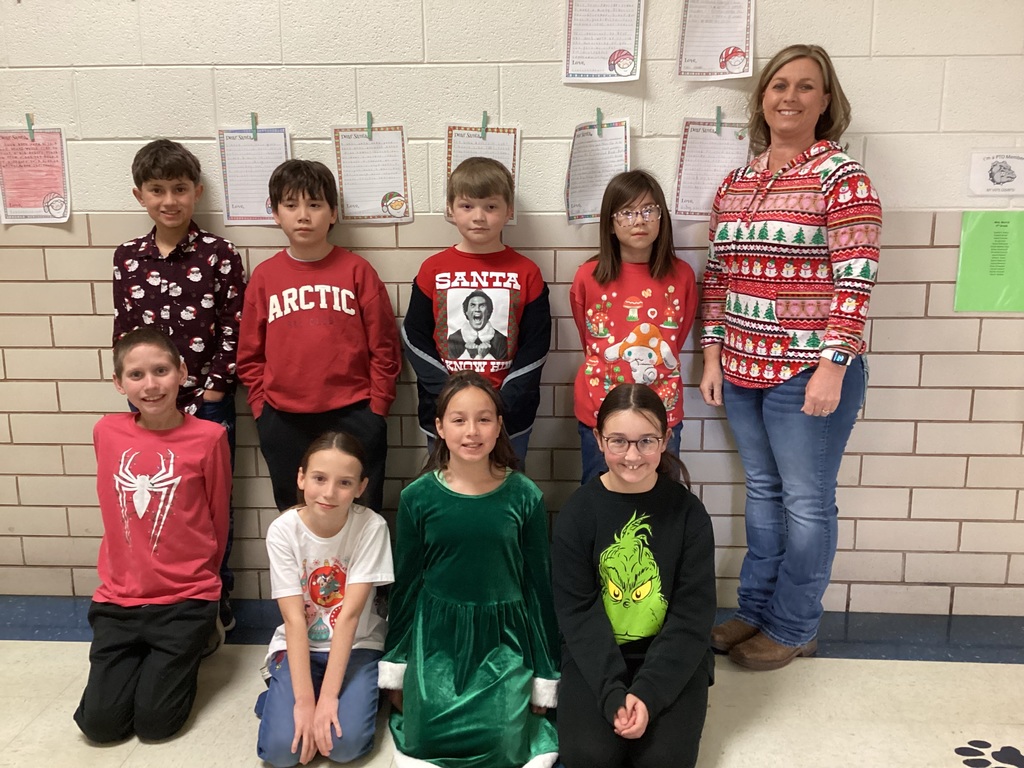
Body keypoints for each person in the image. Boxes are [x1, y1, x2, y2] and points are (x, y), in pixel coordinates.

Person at [699, 43, 882, 671]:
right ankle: (755, 610)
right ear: (761, 99)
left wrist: (834, 363)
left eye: (806, 87)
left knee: (807, 503)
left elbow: (856, 276)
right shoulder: (738, 181)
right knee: (764, 494)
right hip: (744, 368)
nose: (790, 97)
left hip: (809, 372)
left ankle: (795, 624)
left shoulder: (841, 176)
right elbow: (719, 275)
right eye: (779, 85)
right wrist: (712, 354)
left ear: (826, 101)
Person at [378, 371, 559, 768]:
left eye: (484, 419)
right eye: (459, 420)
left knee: (500, 745)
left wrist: (544, 677)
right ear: (440, 427)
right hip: (437, 641)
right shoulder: (417, 498)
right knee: (427, 740)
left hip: (505, 640)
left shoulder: (525, 496)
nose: (472, 431)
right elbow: (406, 587)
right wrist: (398, 666)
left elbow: (538, 587)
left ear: (499, 427)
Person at [111, 138, 245, 633]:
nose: (169, 200)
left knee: (211, 503)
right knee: (157, 502)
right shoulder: (127, 258)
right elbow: (124, 332)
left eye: (180, 189)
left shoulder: (219, 254)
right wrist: (136, 391)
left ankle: (213, 595)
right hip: (148, 408)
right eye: (157, 189)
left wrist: (214, 388)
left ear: (197, 192)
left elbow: (235, 327)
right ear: (139, 195)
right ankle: (159, 592)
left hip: (206, 405)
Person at [74, 328, 231, 743]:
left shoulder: (210, 438)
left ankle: (196, 643)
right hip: (120, 598)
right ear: (118, 383)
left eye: (161, 371)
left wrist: (206, 587)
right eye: (137, 374)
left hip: (184, 598)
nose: (151, 384)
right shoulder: (106, 433)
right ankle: (141, 660)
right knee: (100, 727)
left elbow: (217, 516)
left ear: (181, 372)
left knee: (156, 725)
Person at [552, 383, 715, 768]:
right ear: (597, 439)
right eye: (618, 441)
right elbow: (577, 614)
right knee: (591, 757)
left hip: (673, 656)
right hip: (597, 656)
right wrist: (612, 693)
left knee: (661, 761)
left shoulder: (689, 515)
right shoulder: (578, 515)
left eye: (645, 441)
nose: (632, 456)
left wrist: (649, 691)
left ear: (665, 439)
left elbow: (692, 617)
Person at [237, 159, 401, 514]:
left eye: (314, 205)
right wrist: (261, 410)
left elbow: (385, 347)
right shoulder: (265, 278)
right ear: (276, 213)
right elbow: (249, 355)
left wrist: (377, 409)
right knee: (296, 515)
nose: (303, 216)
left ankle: (362, 573)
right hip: (283, 418)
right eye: (291, 205)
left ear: (333, 213)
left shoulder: (358, 271)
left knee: (360, 513)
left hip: (355, 413)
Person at [255, 431, 394, 767]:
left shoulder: (371, 527)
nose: (330, 492)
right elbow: (293, 619)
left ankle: (348, 694)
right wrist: (304, 702)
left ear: (361, 488)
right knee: (282, 752)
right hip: (300, 644)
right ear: (301, 478)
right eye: (319, 478)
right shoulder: (283, 530)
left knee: (341, 748)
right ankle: (284, 692)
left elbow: (349, 617)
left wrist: (329, 698)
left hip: (357, 645)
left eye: (345, 483)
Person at [403, 156, 550, 463]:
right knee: (447, 493)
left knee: (507, 493)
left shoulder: (527, 272)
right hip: (445, 412)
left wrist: (503, 402)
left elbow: (536, 344)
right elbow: (414, 337)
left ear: (509, 211)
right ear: (450, 209)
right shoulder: (433, 270)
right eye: (467, 206)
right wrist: (450, 395)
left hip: (508, 415)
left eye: (491, 206)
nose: (479, 217)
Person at [571, 170, 698, 484]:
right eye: (626, 212)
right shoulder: (589, 276)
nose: (639, 220)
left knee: (663, 501)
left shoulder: (681, 275)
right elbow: (589, 341)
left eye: (648, 210)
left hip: (661, 413)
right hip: (600, 411)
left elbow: (676, 339)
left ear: (661, 218)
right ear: (611, 224)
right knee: (599, 499)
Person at [447, 289, 509, 360]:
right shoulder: (454, 338)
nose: (477, 309)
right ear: (466, 311)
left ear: (488, 311)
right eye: (473, 305)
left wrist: (484, 356)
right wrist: (469, 354)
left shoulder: (501, 340)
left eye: (482, 306)